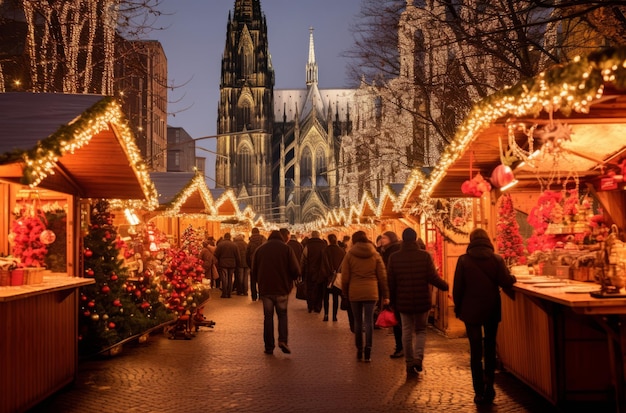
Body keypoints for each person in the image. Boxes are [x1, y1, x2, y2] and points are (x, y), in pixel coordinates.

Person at [453, 228, 517, 405]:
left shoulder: (463, 260)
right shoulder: (496, 259)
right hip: (491, 309)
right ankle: (490, 387)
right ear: (488, 240)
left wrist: (458, 308)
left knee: (475, 351)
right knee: (489, 348)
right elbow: (505, 281)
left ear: (471, 240)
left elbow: (458, 287)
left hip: (470, 310)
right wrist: (513, 278)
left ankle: (478, 391)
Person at [387, 228, 449, 377]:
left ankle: (409, 362)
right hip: (422, 300)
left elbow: (391, 282)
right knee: (421, 331)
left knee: (407, 332)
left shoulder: (394, 257)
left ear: (402, 239)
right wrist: (445, 286)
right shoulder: (424, 256)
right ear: (415, 239)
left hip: (403, 301)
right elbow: (432, 277)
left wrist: (392, 301)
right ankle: (418, 358)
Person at [341, 230, 389, 362]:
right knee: (368, 321)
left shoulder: (349, 255)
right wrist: (385, 294)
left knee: (357, 322)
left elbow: (345, 277)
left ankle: (359, 350)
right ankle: (368, 350)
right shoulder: (375, 254)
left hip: (354, 291)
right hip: (371, 291)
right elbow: (382, 276)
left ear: (354, 240)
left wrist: (345, 292)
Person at [251, 230, 301, 355]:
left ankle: (269, 346)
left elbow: (254, 269)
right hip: (282, 288)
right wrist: (292, 279)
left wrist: (259, 282)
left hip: (266, 289)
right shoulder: (287, 249)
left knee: (268, 317)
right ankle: (283, 340)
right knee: (282, 315)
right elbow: (295, 269)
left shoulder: (260, 249)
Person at [378, 231, 403, 359]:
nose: (382, 239)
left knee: (398, 320)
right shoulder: (385, 250)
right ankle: (401, 346)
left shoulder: (393, 251)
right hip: (392, 288)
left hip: (395, 289)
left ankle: (401, 347)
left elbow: (390, 271)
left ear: (391, 239)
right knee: (398, 319)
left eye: (384, 237)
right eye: (382, 237)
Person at [300, 230, 327, 313]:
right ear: (319, 236)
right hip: (321, 272)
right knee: (320, 290)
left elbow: (303, 259)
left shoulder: (308, 246)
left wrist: (301, 270)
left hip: (310, 271)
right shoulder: (324, 245)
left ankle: (310, 305)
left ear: (311, 236)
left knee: (310, 289)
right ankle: (318, 306)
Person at [321, 234, 346, 322]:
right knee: (335, 298)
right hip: (337, 277)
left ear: (328, 240)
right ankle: (334, 316)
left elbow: (323, 264)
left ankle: (326, 315)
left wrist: (326, 274)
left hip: (327, 278)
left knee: (326, 298)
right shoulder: (342, 251)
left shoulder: (325, 250)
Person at [214, 232, 241, 298]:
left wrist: (219, 259)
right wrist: (238, 263)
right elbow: (237, 256)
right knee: (230, 278)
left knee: (224, 278)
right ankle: (229, 293)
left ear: (224, 237)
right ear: (230, 237)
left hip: (223, 263)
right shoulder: (234, 245)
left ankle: (224, 293)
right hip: (232, 264)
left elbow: (216, 254)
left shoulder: (221, 244)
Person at [246, 228, 266, 301]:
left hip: (252, 263)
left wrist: (250, 265)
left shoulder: (250, 242)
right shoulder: (263, 240)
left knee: (253, 280)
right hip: (262, 263)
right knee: (261, 280)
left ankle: (254, 296)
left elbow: (247, 255)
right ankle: (261, 295)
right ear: (259, 232)